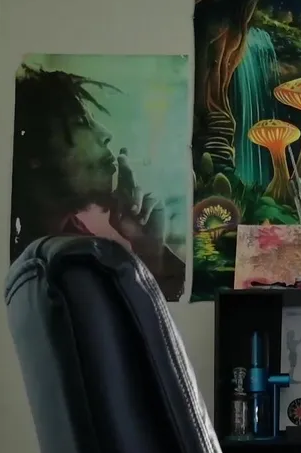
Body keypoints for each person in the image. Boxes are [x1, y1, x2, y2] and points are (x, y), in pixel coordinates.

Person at [11, 65, 185, 298]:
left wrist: (150, 249)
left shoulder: (79, 246)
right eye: (81, 122)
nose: (106, 134)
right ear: (35, 151)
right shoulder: (22, 262)